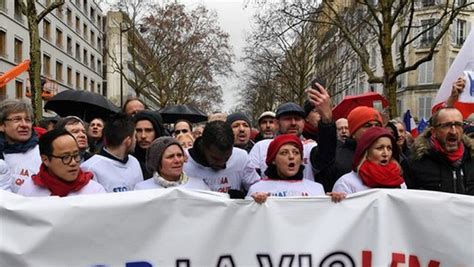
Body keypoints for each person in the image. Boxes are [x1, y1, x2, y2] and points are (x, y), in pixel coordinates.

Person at [250, 84, 335, 182]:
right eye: (288, 119)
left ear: (303, 123)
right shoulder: (261, 147)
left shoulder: (309, 147)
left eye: (297, 119)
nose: (293, 123)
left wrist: (327, 119)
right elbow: (251, 180)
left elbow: (326, 158)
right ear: (277, 123)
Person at [312, 106, 383, 192]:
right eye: (367, 126)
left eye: (378, 125)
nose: (374, 129)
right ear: (353, 132)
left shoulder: (389, 156)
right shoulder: (336, 158)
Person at [17, 129, 105, 197]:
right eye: (65, 157)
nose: (73, 162)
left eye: (76, 155)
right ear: (45, 160)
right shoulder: (28, 190)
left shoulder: (95, 192)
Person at [183, 121, 259, 197]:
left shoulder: (241, 157)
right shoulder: (184, 162)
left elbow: (256, 187)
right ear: (203, 147)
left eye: (227, 158)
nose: (221, 164)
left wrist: (257, 194)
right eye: (215, 158)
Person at [406, 108, 473, 195]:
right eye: (446, 125)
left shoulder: (472, 158)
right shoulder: (414, 163)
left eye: (458, 125)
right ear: (434, 132)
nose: (453, 131)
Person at [247, 134, 325, 199]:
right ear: (273, 160)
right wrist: (255, 204)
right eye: (284, 153)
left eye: (296, 152)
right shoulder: (257, 189)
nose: (291, 156)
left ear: (301, 160)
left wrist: (334, 202)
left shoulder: (316, 189)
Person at [81, 113, 143, 193]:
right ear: (128, 141)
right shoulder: (90, 168)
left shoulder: (134, 162)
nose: (136, 140)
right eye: (134, 136)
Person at [332, 127, 406, 194]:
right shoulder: (346, 183)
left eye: (389, 148)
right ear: (366, 152)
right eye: (380, 148)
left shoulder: (399, 181)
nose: (386, 153)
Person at [134, 137, 209, 191]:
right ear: (156, 162)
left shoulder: (199, 186)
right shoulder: (142, 189)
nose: (177, 160)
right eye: (170, 157)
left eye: (179, 155)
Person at [0, 99, 41, 193]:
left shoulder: (44, 152)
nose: (24, 125)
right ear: (2, 125)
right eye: (17, 119)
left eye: (28, 120)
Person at [133, 110, 167, 179]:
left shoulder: (170, 157)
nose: (143, 136)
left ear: (157, 131)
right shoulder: (128, 160)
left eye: (148, 130)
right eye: (138, 130)